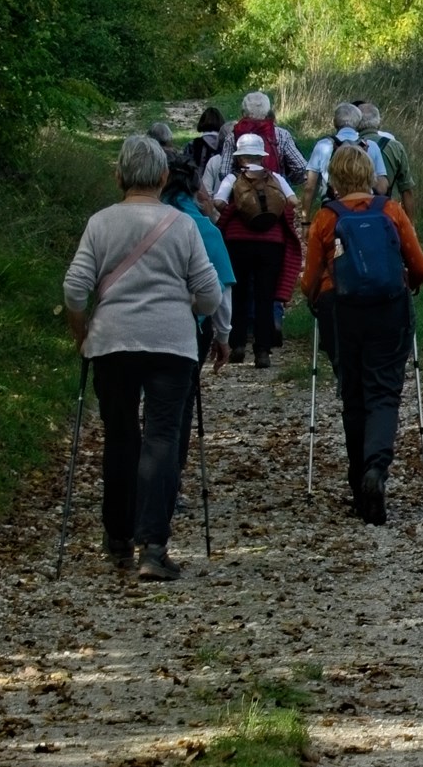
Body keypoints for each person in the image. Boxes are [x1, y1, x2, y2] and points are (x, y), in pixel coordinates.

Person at [62, 134, 226, 581]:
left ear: (118, 176)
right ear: (162, 176)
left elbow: (75, 289)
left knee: (120, 437)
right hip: (171, 346)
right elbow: (209, 295)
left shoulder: (100, 224)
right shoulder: (183, 225)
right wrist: (184, 310)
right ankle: (152, 548)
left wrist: (82, 334)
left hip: (112, 343)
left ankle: (117, 539)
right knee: (162, 439)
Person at [299, 142, 423, 523]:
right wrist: (410, 284)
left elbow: (310, 280)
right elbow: (420, 266)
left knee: (353, 393)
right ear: (371, 177)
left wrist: (313, 297)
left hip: (340, 312)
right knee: (384, 392)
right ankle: (376, 470)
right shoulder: (391, 211)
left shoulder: (326, 218)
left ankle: (359, 480)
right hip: (389, 311)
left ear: (335, 178)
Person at [167, 180, 235, 499]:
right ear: (195, 191)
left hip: (125, 329)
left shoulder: (123, 219)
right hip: (189, 325)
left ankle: (128, 483)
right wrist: (223, 336)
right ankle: (171, 482)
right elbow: (220, 289)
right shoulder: (203, 228)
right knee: (178, 406)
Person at [214, 134, 300, 368]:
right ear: (262, 157)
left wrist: (238, 204)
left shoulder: (233, 178)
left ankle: (238, 344)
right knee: (265, 295)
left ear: (240, 157)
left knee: (239, 293)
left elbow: (219, 203)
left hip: (237, 242)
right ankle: (263, 350)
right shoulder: (276, 178)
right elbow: (292, 201)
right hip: (272, 243)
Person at [359, 103, 411, 200]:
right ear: (378, 123)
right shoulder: (396, 147)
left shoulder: (349, 145)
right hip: (386, 210)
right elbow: (406, 189)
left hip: (353, 209)